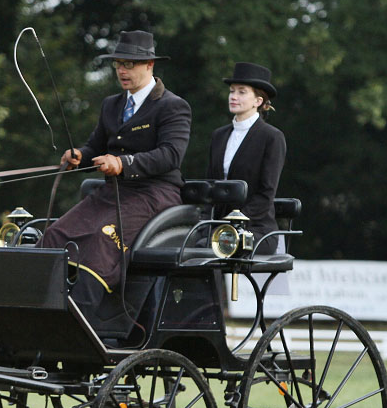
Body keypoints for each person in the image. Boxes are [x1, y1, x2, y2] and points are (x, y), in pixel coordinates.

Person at [38, 30, 192, 294]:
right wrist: (79, 156)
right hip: (112, 194)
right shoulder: (111, 104)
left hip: (155, 194)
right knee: (54, 235)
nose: (122, 70)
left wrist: (123, 164)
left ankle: (87, 320)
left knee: (101, 241)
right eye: (118, 64)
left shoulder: (172, 106)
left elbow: (170, 155)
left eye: (129, 64)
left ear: (150, 65)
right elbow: (95, 146)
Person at [206, 62, 286, 255]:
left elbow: (266, 193)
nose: (233, 97)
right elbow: (210, 184)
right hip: (217, 225)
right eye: (232, 91)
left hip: (257, 229)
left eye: (242, 92)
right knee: (186, 243)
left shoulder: (271, 137)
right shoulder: (219, 135)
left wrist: (235, 220)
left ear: (258, 101)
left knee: (217, 246)